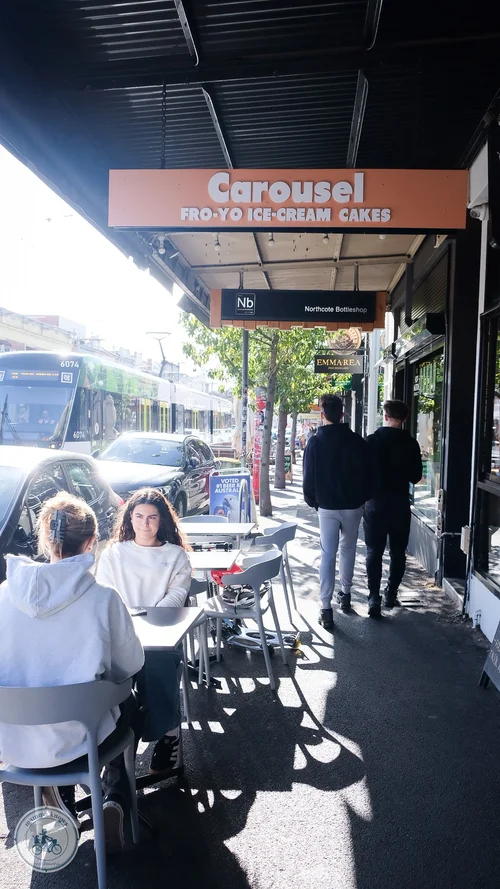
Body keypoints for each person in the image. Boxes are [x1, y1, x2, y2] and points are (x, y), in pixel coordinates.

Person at [0, 492, 144, 852]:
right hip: (81, 740)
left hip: (13, 742)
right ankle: (114, 796)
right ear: (93, 542)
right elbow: (130, 666)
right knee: (130, 704)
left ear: (45, 537)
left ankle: (60, 796)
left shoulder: (4, 595)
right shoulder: (103, 598)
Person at [97, 488, 192, 775]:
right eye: (139, 516)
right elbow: (105, 592)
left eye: (152, 517)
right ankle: (113, 747)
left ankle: (168, 733)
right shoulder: (114, 553)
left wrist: (150, 618)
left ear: (162, 520)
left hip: (160, 631)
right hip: (119, 631)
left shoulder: (176, 555)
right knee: (105, 676)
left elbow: (177, 594)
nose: (145, 523)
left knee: (157, 665)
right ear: (130, 518)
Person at [303, 393, 374, 631]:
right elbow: (368, 475)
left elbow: (308, 477)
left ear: (322, 415)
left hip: (327, 507)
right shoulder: (358, 442)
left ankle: (326, 608)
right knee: (348, 549)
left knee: (327, 554)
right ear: (342, 414)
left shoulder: (314, 442)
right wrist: (362, 499)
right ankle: (345, 594)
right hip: (353, 505)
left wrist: (313, 501)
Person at [364, 399, 423, 617]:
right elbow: (416, 477)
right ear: (405, 419)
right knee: (398, 551)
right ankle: (391, 592)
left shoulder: (372, 441)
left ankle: (373, 598)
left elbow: (364, 472)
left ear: (385, 415)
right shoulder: (411, 443)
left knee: (374, 551)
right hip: (400, 504)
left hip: (375, 504)